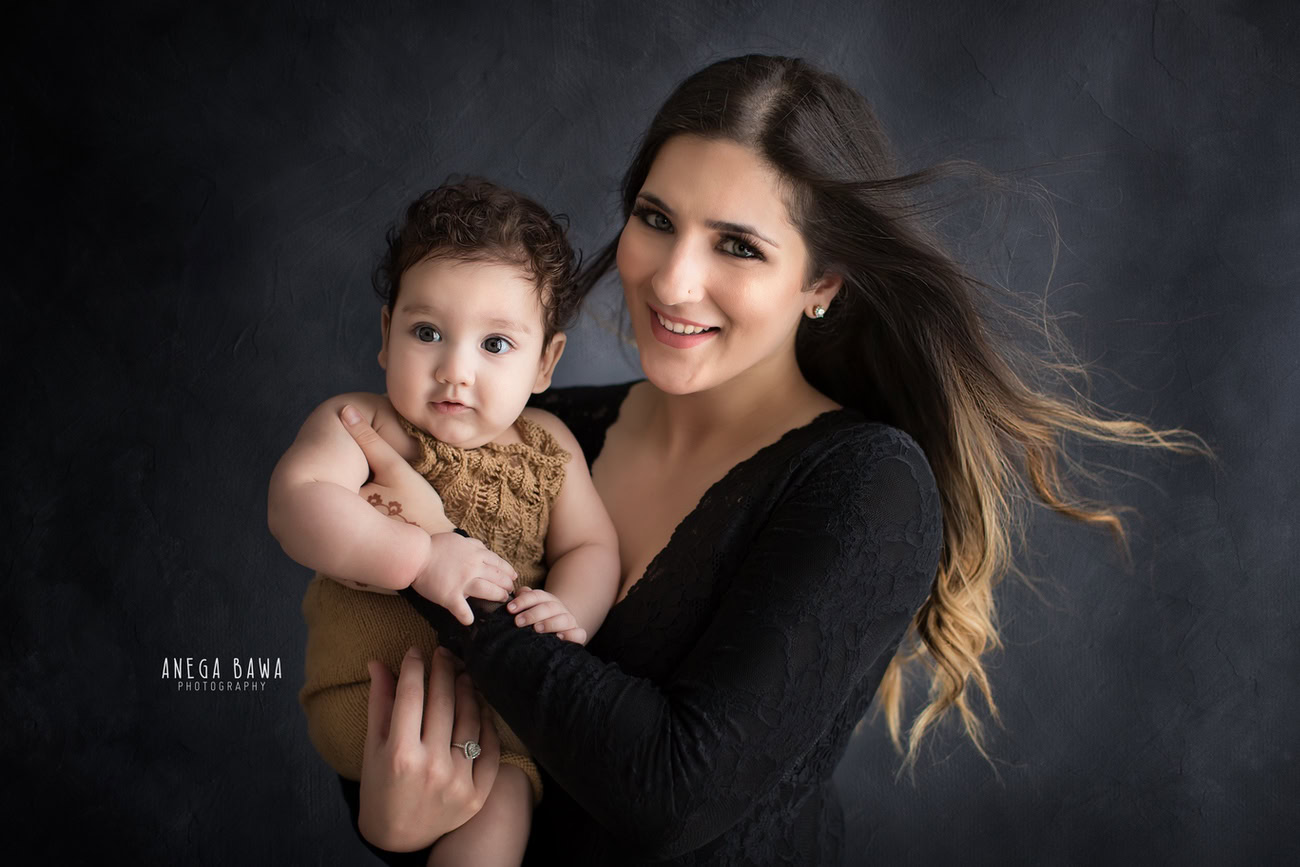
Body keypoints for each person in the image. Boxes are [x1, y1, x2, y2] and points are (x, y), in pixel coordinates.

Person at [327, 55, 1205, 865]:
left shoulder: (867, 487)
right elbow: (393, 683)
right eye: (655, 219)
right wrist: (389, 827)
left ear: (822, 284)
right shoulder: (535, 432)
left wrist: (428, 555)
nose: (672, 280)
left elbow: (669, 792)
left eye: (738, 245)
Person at [266, 179, 620, 866]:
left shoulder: (550, 445)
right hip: (374, 701)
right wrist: (420, 555)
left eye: (495, 344)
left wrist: (569, 608)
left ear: (545, 361)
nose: (454, 370)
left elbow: (592, 544)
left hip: (501, 720)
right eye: (427, 332)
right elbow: (296, 501)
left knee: (503, 802)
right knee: (486, 784)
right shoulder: (363, 422)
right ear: (386, 333)